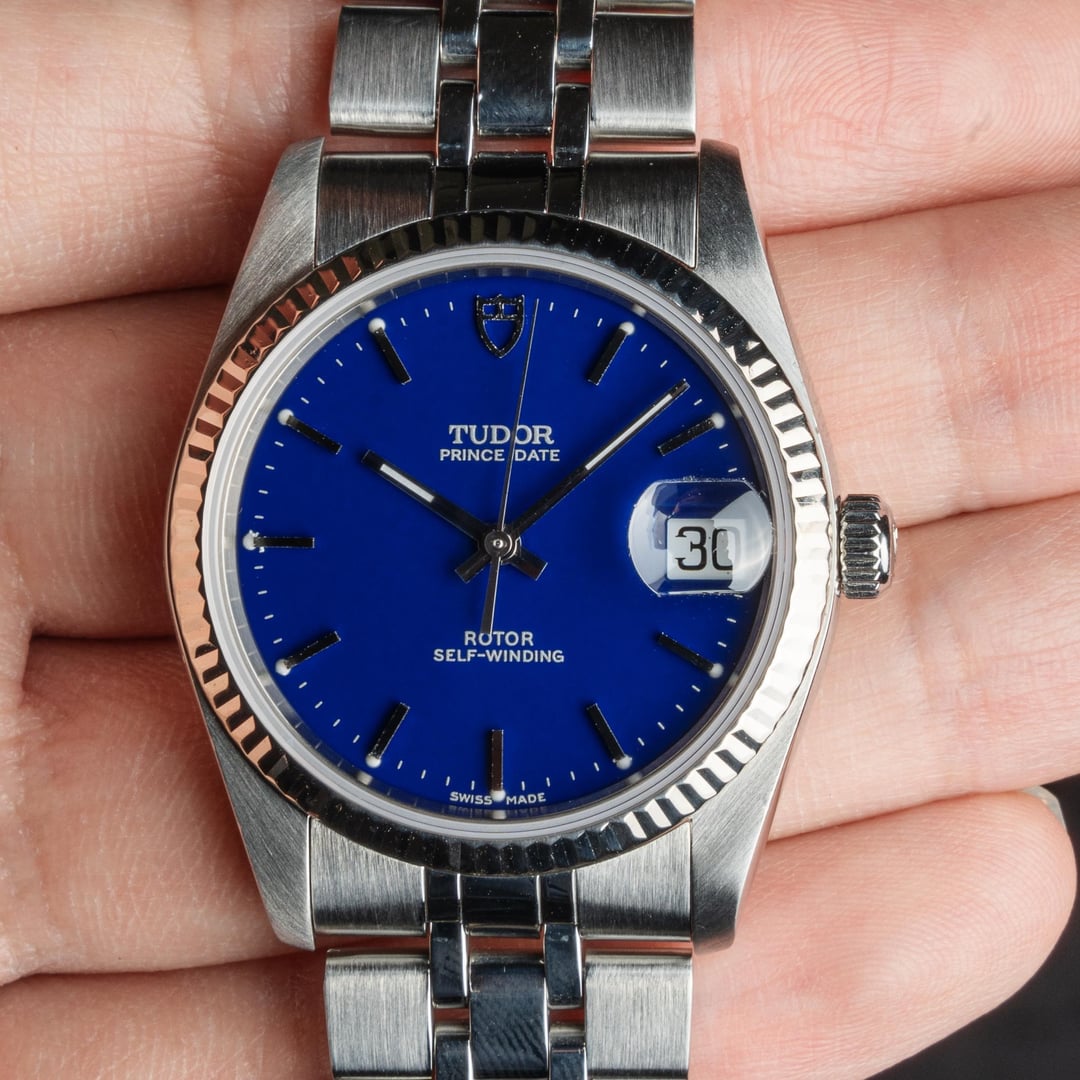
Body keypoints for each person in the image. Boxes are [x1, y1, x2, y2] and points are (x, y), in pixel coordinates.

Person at [0, 1, 1077, 1076]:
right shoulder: (357, 213)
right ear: (853, 544)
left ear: (840, 546)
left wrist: (407, 483)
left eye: (503, 543)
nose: (501, 547)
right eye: (497, 542)